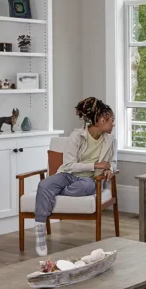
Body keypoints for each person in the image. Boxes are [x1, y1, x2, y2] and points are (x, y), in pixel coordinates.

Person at [33, 97, 116, 256]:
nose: (113, 124)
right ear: (100, 120)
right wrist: (95, 165)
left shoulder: (109, 140)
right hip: (68, 175)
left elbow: (112, 162)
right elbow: (69, 165)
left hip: (88, 179)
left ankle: (54, 193)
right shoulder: (77, 136)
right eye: (111, 120)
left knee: (86, 186)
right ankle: (40, 231)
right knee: (44, 185)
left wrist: (110, 169)